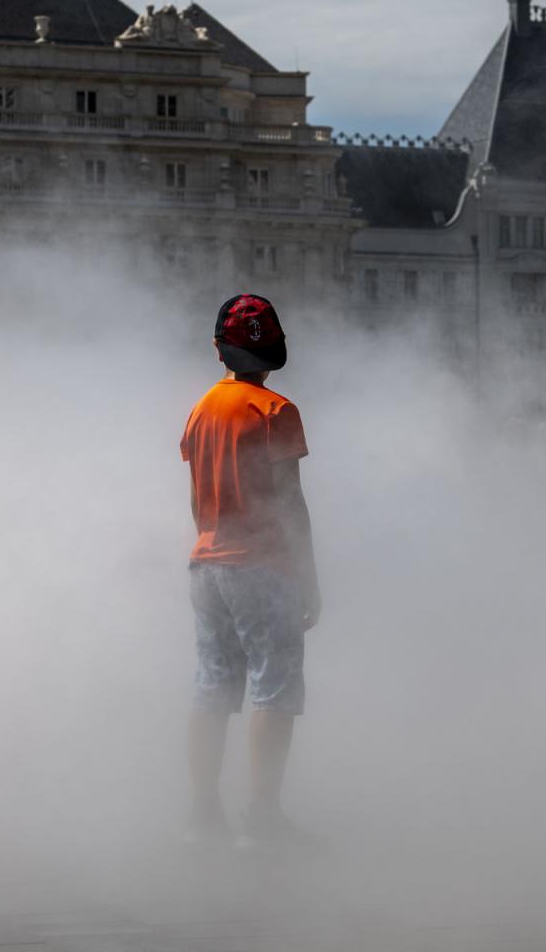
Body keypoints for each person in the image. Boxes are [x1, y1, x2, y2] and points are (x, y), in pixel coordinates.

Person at [180, 294, 321, 849]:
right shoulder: (275, 411)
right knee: (273, 688)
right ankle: (262, 821)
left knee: (212, 687)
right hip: (262, 566)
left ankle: (201, 817)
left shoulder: (200, 409)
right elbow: (289, 503)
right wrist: (307, 576)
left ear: (220, 350)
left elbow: (196, 495)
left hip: (207, 563)